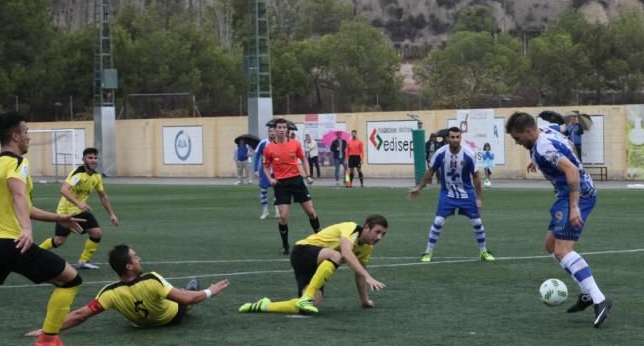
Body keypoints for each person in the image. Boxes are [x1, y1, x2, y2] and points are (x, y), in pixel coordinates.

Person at [0, 112, 86, 346]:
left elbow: (23, 206)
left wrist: (60, 218)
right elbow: (18, 196)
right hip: (13, 243)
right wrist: (26, 229)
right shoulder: (17, 163)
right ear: (14, 136)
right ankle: (49, 338)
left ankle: (49, 338)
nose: (29, 138)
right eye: (25, 132)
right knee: (71, 280)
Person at [505, 111, 611, 328]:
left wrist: (574, 208)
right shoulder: (546, 132)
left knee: (563, 250)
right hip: (566, 194)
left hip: (577, 195)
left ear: (528, 131)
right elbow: (561, 131)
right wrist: (537, 161)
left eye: (518, 138)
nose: (517, 143)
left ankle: (599, 299)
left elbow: (571, 170)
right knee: (551, 245)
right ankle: (586, 294)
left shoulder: (544, 147)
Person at [26, 244, 229, 333]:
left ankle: (188, 288)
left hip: (141, 325)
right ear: (129, 266)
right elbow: (186, 300)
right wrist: (211, 291)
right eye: (135, 256)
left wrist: (49, 329)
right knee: (182, 296)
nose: (139, 258)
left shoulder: (109, 293)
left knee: (169, 291)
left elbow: (80, 314)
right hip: (171, 317)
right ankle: (193, 287)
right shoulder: (151, 279)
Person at [238, 214, 388, 315]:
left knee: (311, 306)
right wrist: (368, 276)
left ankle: (264, 306)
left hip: (317, 267)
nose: (379, 237)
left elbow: (359, 275)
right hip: (302, 252)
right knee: (337, 255)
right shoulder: (352, 228)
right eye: (377, 232)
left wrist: (364, 300)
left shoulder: (367, 248)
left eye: (383, 234)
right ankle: (307, 296)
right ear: (367, 227)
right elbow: (347, 253)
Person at [408, 126, 494, 263]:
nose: (455, 140)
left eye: (457, 137)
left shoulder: (469, 154)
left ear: (461, 138)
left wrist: (479, 199)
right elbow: (430, 171)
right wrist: (419, 187)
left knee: (477, 222)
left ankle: (483, 251)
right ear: (447, 138)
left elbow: (476, 177)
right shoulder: (440, 153)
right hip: (447, 194)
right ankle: (427, 252)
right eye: (452, 137)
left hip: (466, 194)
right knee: (438, 221)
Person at [39, 147, 119, 270]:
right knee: (59, 241)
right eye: (90, 158)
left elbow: (102, 196)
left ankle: (83, 261)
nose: (93, 160)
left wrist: (112, 214)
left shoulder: (97, 176)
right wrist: (78, 203)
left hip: (81, 211)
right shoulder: (78, 173)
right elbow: (63, 190)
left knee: (96, 233)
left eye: (95, 158)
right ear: (83, 159)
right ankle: (35, 253)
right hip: (65, 212)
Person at [264, 118, 321, 255]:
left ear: (287, 129)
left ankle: (320, 239)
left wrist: (308, 175)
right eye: (279, 127)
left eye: (284, 127)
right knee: (283, 217)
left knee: (311, 212)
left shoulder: (295, 144)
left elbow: (304, 159)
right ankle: (285, 246)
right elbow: (265, 166)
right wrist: (270, 178)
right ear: (275, 129)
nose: (282, 130)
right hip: (281, 184)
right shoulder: (269, 148)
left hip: (296, 181)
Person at [253, 122, 277, 220]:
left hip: (276, 171)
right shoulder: (263, 143)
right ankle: (265, 212)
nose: (272, 133)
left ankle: (277, 212)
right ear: (268, 132)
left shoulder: (279, 142)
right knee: (263, 191)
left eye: (273, 131)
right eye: (270, 131)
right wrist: (255, 169)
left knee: (277, 192)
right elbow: (257, 155)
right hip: (265, 170)